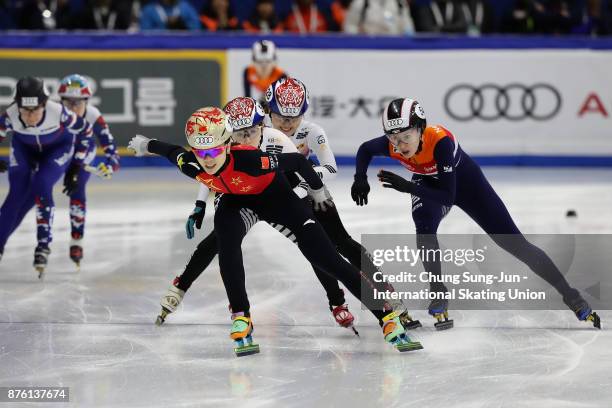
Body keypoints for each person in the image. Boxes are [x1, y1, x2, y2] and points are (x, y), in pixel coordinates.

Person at [128, 107, 423, 356]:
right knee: (227, 242)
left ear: (228, 143)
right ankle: (241, 316)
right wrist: (145, 144)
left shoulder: (250, 159)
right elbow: (171, 151)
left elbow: (296, 161)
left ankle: (384, 315)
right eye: (201, 151)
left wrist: (318, 192)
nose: (207, 158)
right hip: (236, 203)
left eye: (215, 150)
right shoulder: (192, 164)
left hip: (276, 199)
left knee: (326, 257)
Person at [351, 98, 601, 330]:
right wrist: (360, 178)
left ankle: (572, 296)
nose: (400, 145)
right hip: (428, 184)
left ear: (420, 129)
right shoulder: (392, 144)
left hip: (467, 187)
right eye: (394, 139)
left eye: (406, 136)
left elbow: (449, 197)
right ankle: (438, 292)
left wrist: (408, 187)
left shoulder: (441, 142)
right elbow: (364, 149)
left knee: (516, 244)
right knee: (424, 226)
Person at [157, 96, 358, 334]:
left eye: (251, 131)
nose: (245, 139)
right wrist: (200, 204)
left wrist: (292, 199)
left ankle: (336, 300)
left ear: (262, 126)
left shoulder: (278, 140)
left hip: (276, 195)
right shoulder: (225, 145)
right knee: (219, 240)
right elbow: (209, 172)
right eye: (238, 134)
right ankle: (180, 287)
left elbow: (301, 173)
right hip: (240, 198)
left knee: (314, 246)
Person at [266, 77, 419, 328]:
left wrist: (308, 186)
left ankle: (387, 292)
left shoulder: (311, 131)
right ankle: (336, 300)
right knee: (315, 248)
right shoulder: (256, 130)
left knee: (341, 241)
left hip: (312, 191)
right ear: (268, 110)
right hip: (281, 198)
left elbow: (331, 168)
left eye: (294, 118)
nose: (287, 124)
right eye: (281, 116)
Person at [5, 75, 119, 268]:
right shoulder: (54, 113)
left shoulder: (92, 115)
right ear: (60, 100)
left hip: (80, 155)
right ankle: (37, 242)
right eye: (68, 102)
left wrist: (108, 166)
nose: (73, 107)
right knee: (34, 192)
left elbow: (113, 153)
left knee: (78, 188)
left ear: (87, 102)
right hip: (58, 153)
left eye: (78, 103)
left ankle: (76, 240)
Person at [243, 40, 287, 104]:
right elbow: (247, 99)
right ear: (253, 63)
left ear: (274, 62)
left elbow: (283, 102)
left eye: (268, 61)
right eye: (260, 62)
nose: (264, 66)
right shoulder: (248, 72)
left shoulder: (281, 75)